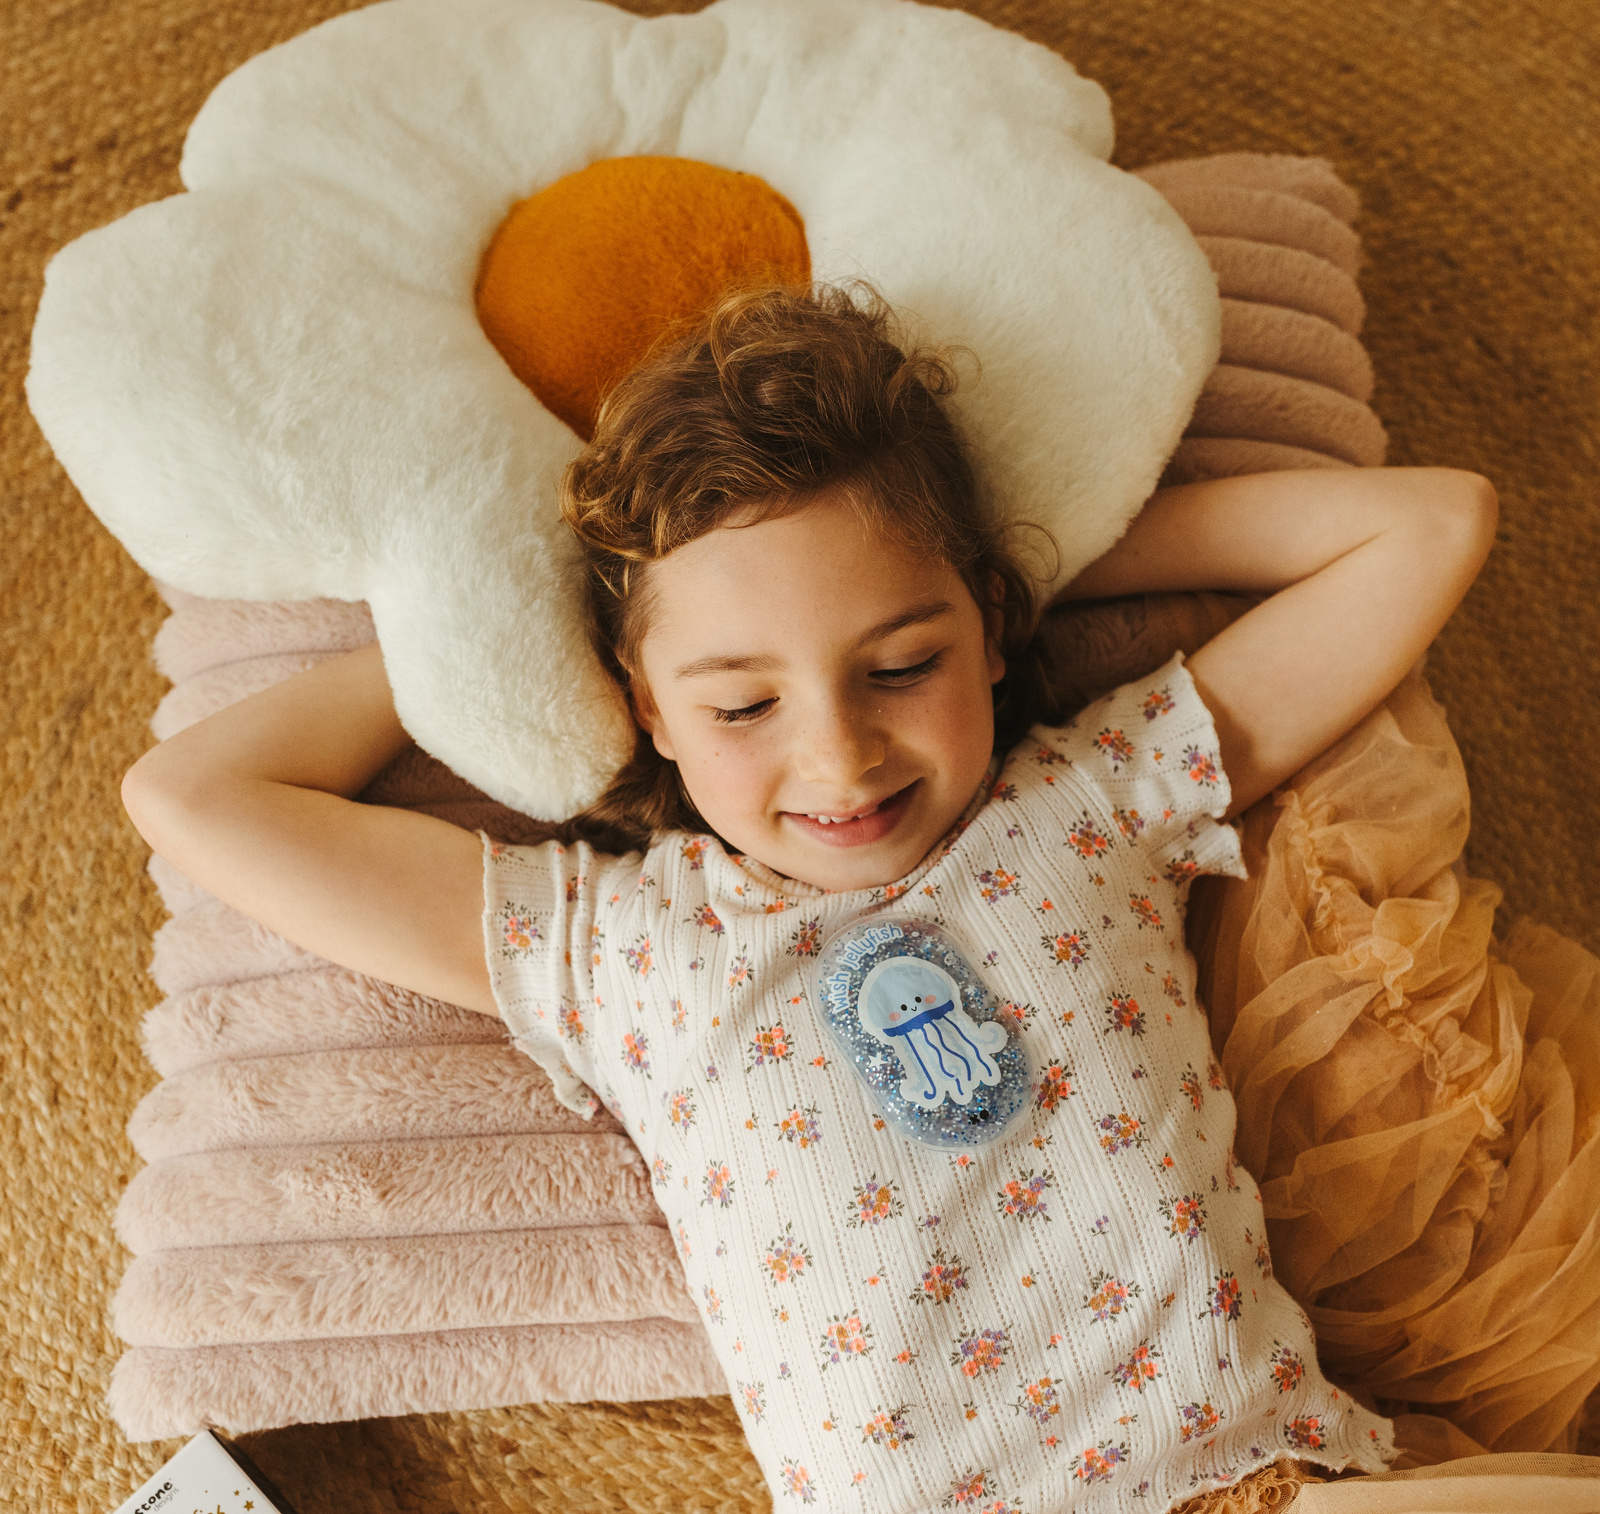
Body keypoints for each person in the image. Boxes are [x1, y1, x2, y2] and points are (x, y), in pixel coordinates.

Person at [121, 285, 1497, 1511]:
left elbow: (1432, 523)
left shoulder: (1094, 802)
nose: (840, 756)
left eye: (900, 664)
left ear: (987, 626)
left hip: (1247, 1481)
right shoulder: (623, 951)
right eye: (742, 703)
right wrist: (508, 631)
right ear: (647, 706)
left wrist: (1032, 569)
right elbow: (193, 796)